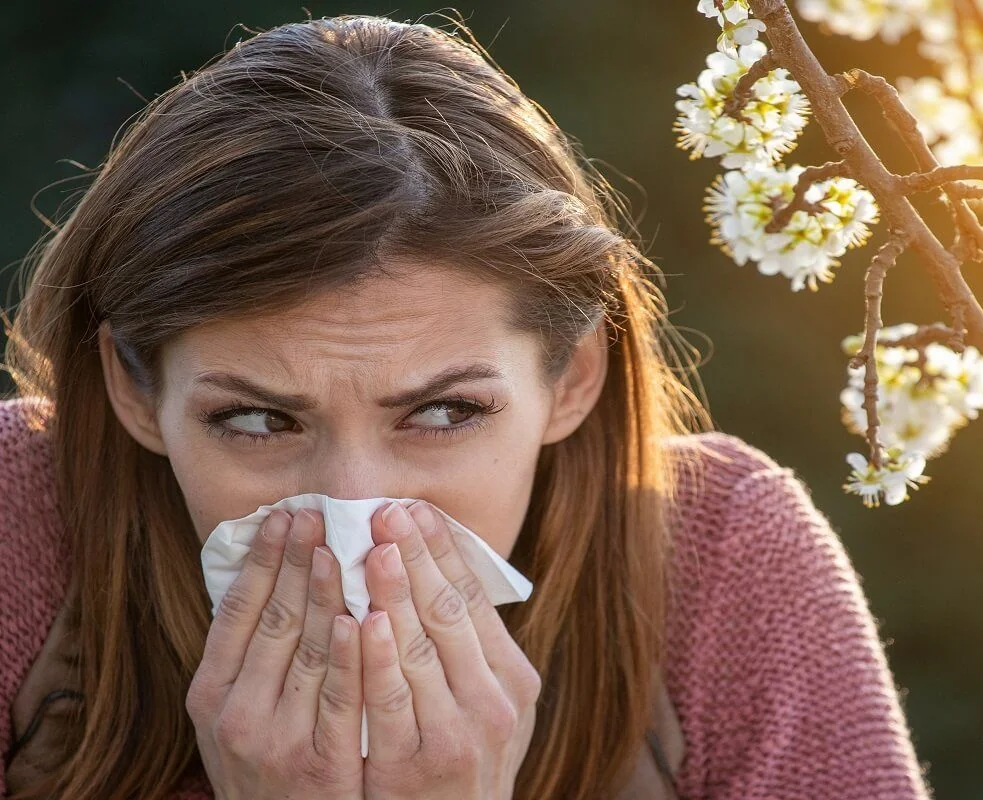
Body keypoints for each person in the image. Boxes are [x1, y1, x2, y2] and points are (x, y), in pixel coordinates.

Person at [0, 13, 931, 799]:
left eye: (445, 413)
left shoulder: (720, 555)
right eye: (256, 420)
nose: (353, 511)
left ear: (571, 379)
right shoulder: (22, 519)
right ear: (132, 389)